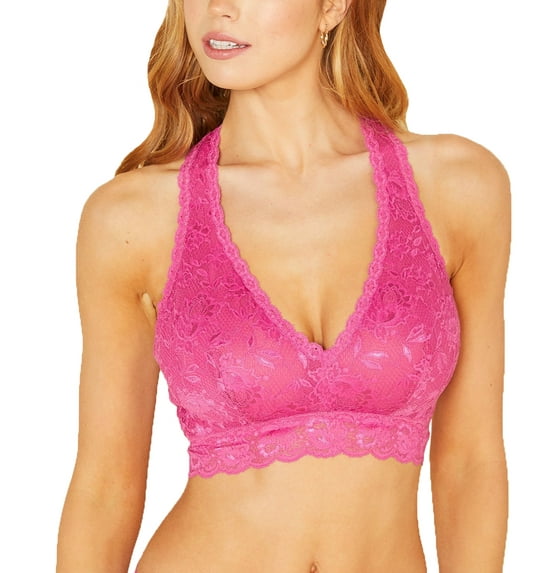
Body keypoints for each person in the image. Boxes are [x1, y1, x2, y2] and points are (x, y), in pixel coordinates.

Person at [57, 0, 510, 571]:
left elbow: (471, 461)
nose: (218, 8)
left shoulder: (459, 186)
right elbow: (105, 487)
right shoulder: (133, 217)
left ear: (332, 7)